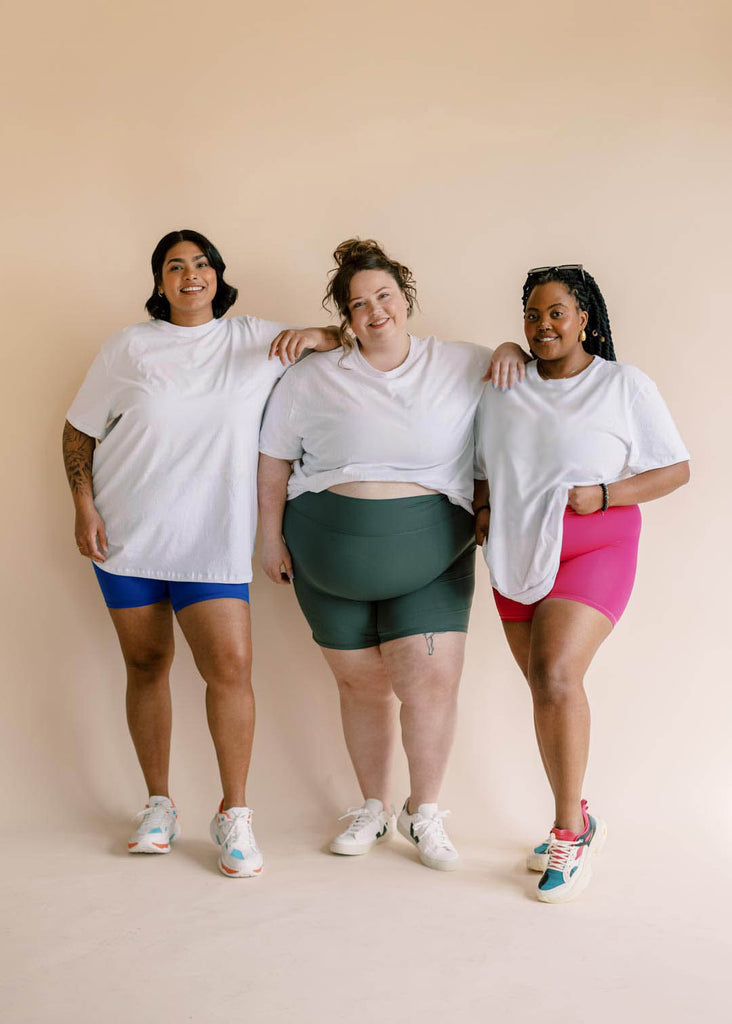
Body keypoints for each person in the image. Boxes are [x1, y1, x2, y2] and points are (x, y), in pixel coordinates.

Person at [63, 228, 337, 878]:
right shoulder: (128, 346)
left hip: (212, 537)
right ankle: (158, 805)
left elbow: (349, 336)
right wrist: (83, 505)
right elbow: (78, 430)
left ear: (218, 274)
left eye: (201, 263)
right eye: (175, 266)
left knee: (232, 668)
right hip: (127, 536)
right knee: (147, 663)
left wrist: (320, 337)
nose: (191, 274)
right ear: (159, 282)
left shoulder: (252, 340)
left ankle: (235, 815)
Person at [257, 238, 526, 871]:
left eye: (384, 296)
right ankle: (372, 807)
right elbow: (271, 460)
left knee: (429, 683)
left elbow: (523, 374)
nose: (375, 311)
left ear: (405, 299)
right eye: (358, 304)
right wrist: (267, 538)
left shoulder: (462, 362)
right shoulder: (311, 375)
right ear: (344, 318)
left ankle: (424, 810)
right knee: (360, 687)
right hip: (324, 557)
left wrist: (511, 347)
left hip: (432, 551)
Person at [473, 264, 690, 902]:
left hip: (597, 541)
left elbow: (675, 468)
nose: (544, 326)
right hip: (515, 548)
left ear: (584, 317)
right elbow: (481, 462)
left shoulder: (622, 384)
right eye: (533, 316)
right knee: (545, 691)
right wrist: (483, 510)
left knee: (557, 676)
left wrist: (605, 493)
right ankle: (580, 811)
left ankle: (570, 833)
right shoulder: (504, 383)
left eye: (557, 313)